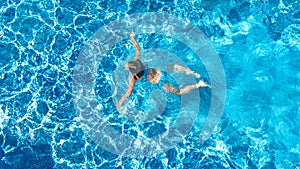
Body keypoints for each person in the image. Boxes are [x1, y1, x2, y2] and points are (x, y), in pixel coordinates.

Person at [116, 32, 210, 110]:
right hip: (161, 71)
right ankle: (193, 73)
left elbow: (128, 93)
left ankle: (198, 84)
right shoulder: (138, 61)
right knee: (175, 67)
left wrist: (119, 103)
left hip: (160, 82)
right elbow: (137, 48)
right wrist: (132, 38)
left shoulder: (133, 78)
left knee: (178, 92)